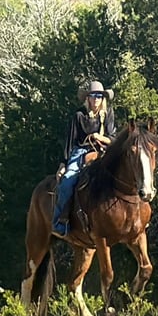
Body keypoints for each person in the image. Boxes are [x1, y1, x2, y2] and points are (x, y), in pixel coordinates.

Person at [51, 80, 117, 237]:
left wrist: (100, 137)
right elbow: (70, 141)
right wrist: (63, 164)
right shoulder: (79, 115)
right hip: (81, 151)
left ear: (103, 99)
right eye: (93, 96)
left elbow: (113, 138)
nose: (96, 99)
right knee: (67, 181)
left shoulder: (108, 114)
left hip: (103, 151)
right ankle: (59, 221)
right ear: (87, 98)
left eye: (99, 96)